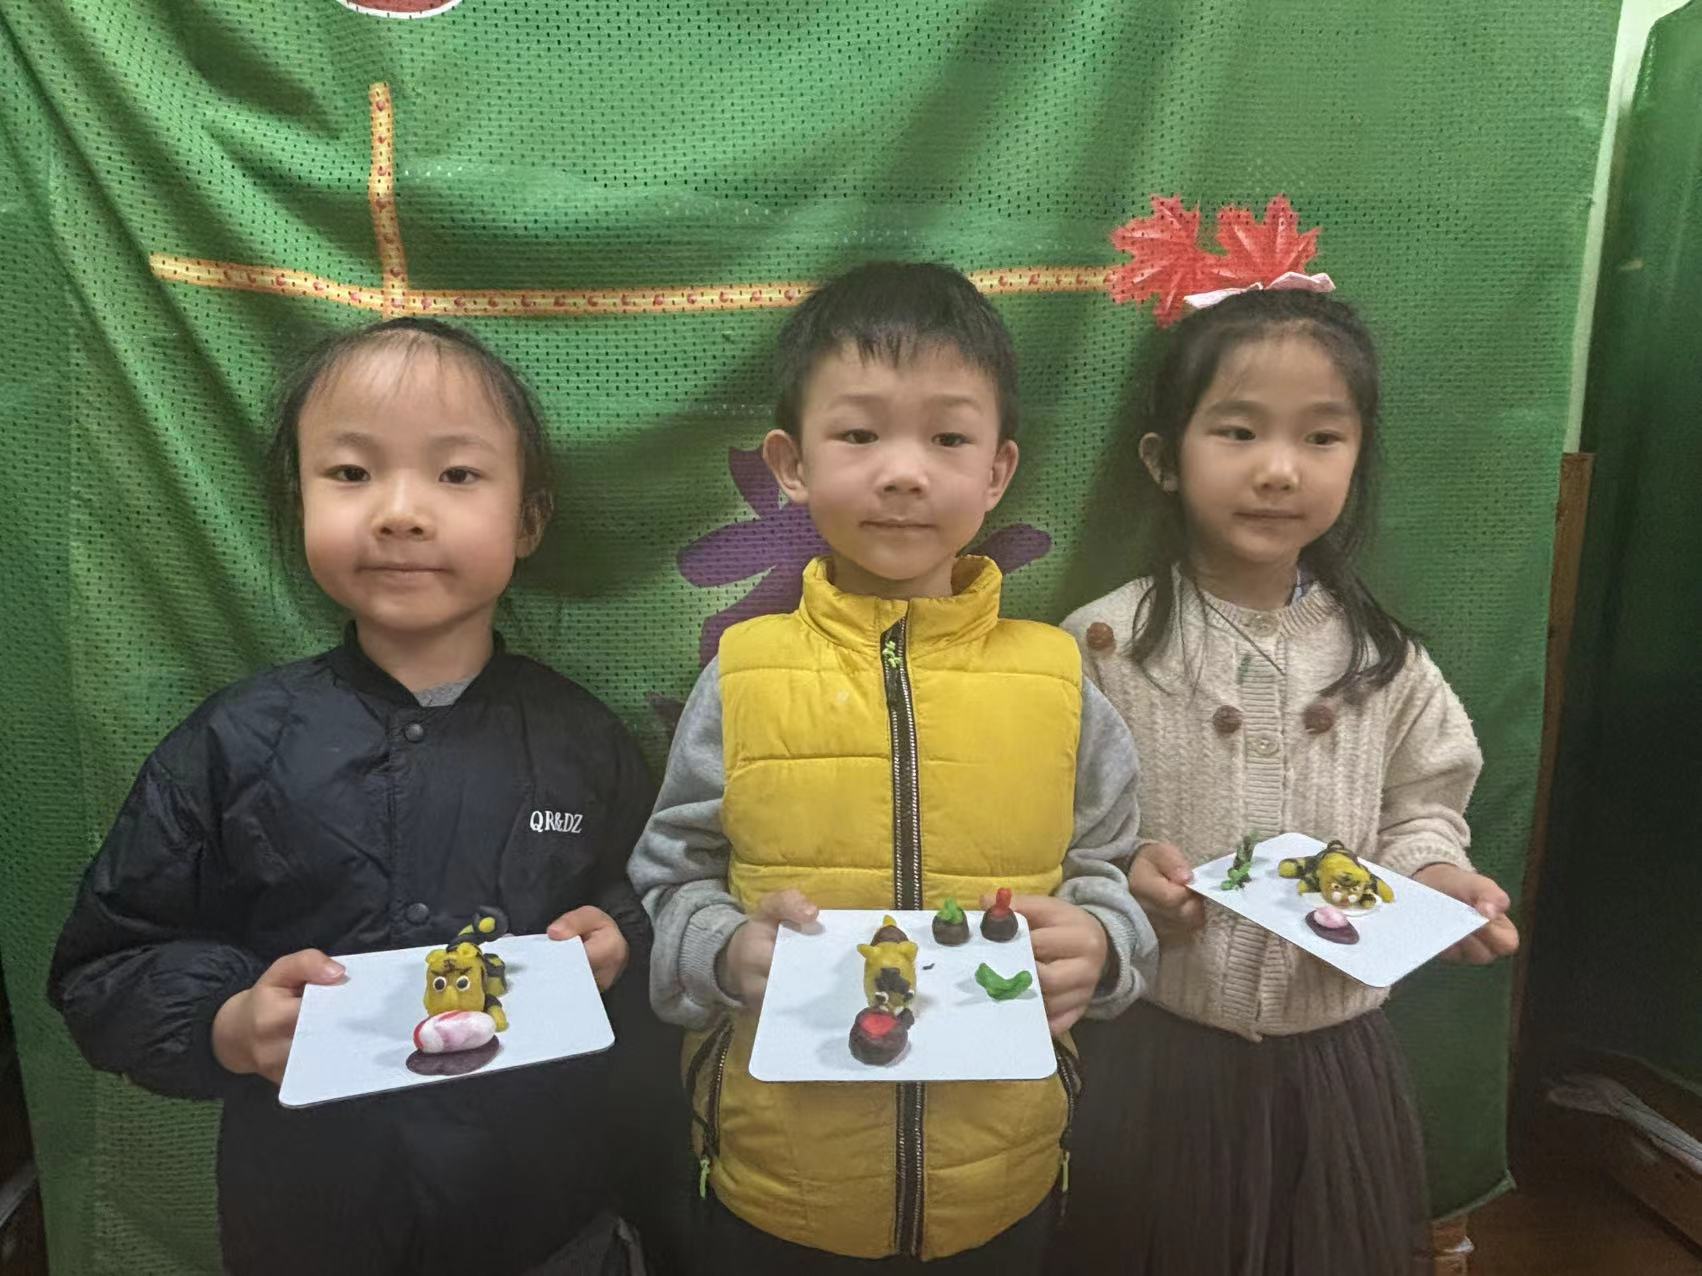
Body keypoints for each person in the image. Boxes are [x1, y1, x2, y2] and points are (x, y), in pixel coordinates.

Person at [49, 317, 655, 1276]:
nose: (401, 512)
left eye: (457, 474)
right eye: (351, 473)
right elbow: (107, 963)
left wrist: (620, 936)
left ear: (528, 521)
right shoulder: (236, 741)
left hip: (548, 1220)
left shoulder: (584, 738)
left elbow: (652, 903)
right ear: (299, 501)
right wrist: (228, 1024)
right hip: (307, 1223)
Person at [628, 261, 1156, 1272]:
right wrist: (724, 951)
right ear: (791, 463)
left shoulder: (1058, 677)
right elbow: (670, 877)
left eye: (948, 438)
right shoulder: (741, 674)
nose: (904, 472)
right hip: (776, 1186)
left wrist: (1103, 941)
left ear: (998, 471)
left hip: (1003, 1182)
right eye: (860, 434)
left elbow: (1109, 867)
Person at [1057, 285, 1520, 1276]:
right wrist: (1124, 879)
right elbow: (1055, 826)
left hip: (1332, 1057)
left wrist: (1437, 881)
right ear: (1163, 459)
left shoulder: (1384, 660)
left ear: (1358, 458)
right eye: (1237, 431)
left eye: (1321, 437)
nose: (1278, 469)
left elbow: (1424, 805)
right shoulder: (1101, 646)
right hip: (1156, 1050)